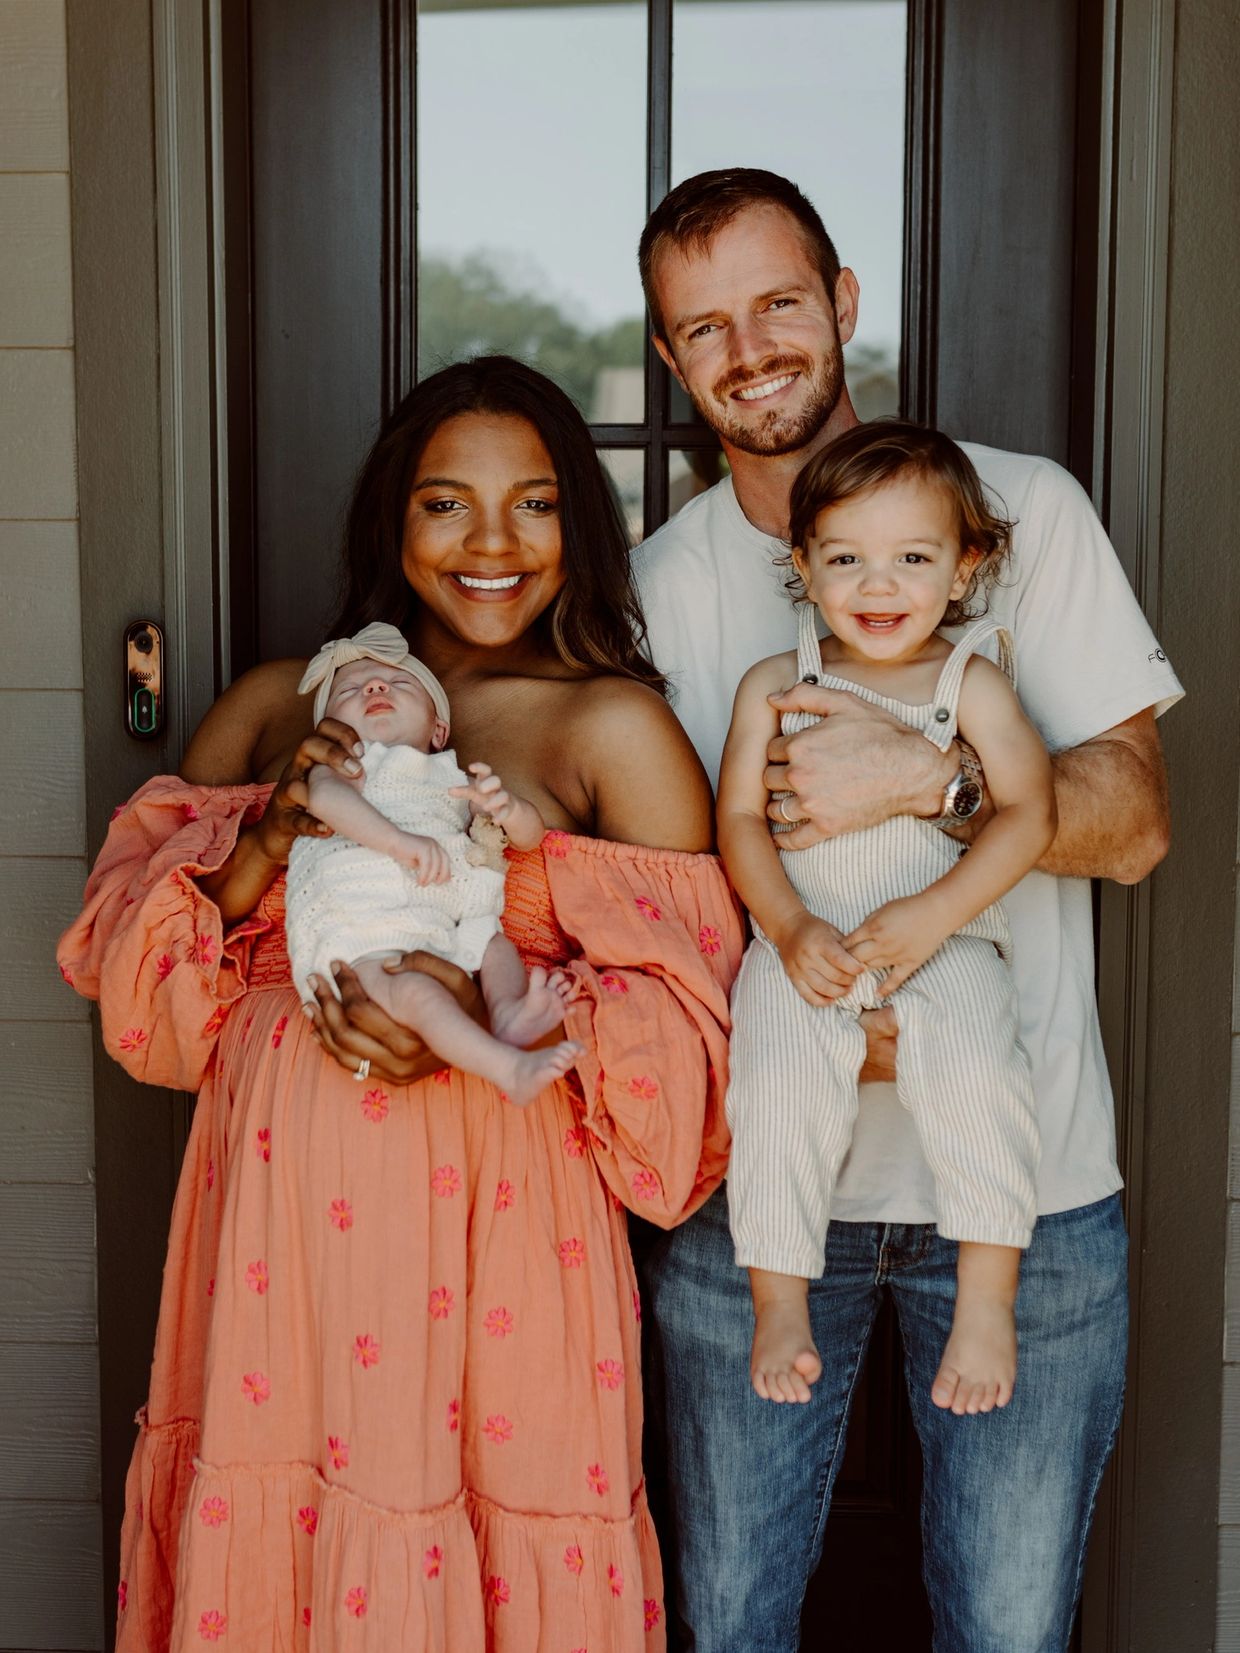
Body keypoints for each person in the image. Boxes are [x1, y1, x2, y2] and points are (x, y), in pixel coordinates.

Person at [58, 355, 743, 1652]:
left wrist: (485, 1004)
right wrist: (266, 840)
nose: (493, 544)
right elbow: (146, 1010)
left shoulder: (612, 731)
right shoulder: (279, 706)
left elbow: (688, 1066)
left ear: (578, 527)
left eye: (535, 504)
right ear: (392, 518)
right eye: (447, 504)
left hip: (502, 1223)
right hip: (282, 1236)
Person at [631, 168, 1182, 1650]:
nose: (749, 349)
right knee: (730, 1617)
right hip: (753, 1190)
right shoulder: (660, 591)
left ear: (844, 304)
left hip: (1028, 1181)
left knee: (1005, 1631)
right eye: (704, 329)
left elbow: (1136, 824)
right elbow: (658, 881)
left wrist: (923, 782)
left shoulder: (1020, 516)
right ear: (674, 363)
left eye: (778, 304)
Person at [719, 420, 1054, 1415]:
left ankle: (985, 1298)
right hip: (806, 937)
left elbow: (1029, 812)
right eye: (846, 559)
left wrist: (933, 914)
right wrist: (784, 928)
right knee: (775, 1074)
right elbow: (737, 821)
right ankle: (779, 1295)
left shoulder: (971, 685)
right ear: (804, 568)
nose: (878, 585)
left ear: (964, 569)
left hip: (940, 938)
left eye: (912, 558)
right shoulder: (776, 687)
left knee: (977, 1071)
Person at [286, 623, 582, 1107]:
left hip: (437, 915)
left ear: (438, 730)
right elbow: (325, 800)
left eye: (398, 683)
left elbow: (530, 838)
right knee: (419, 995)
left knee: (495, 945)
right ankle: (507, 1068)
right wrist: (397, 841)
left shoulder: (452, 778)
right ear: (331, 732)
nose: (376, 688)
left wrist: (508, 809)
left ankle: (506, 1012)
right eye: (349, 690)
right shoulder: (345, 767)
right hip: (364, 932)